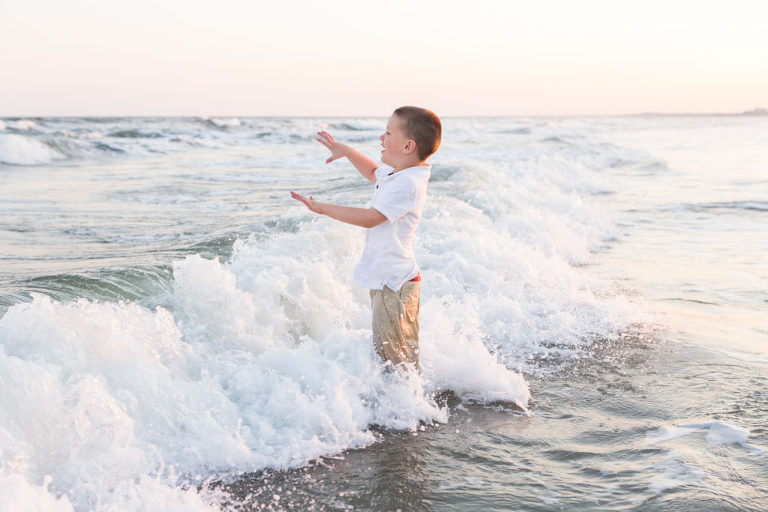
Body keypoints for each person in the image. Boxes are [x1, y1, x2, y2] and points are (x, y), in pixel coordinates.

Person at [290, 106, 441, 372]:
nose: (380, 139)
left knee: (393, 357)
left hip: (393, 283)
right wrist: (347, 151)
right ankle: (411, 403)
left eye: (387, 133)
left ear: (407, 145)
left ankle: (406, 408)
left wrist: (322, 208)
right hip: (394, 279)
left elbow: (372, 218)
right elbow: (373, 172)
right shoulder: (400, 175)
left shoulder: (408, 184)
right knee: (399, 353)